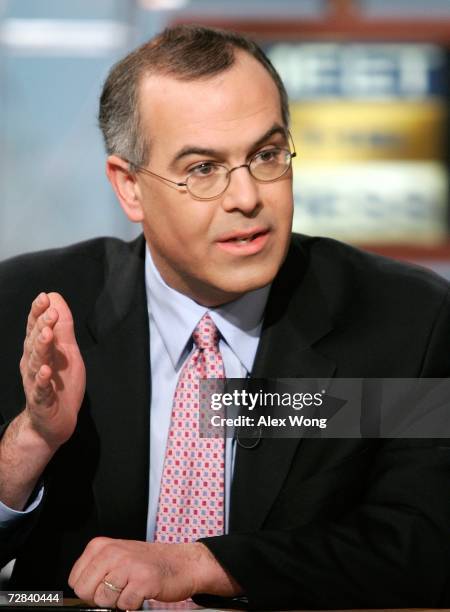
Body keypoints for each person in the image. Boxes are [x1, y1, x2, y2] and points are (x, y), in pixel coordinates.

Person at [1, 24, 450, 611]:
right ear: (129, 187)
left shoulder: (406, 320)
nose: (247, 197)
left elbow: (424, 545)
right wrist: (31, 441)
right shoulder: (23, 305)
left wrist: (204, 564)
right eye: (203, 168)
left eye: (266, 155)